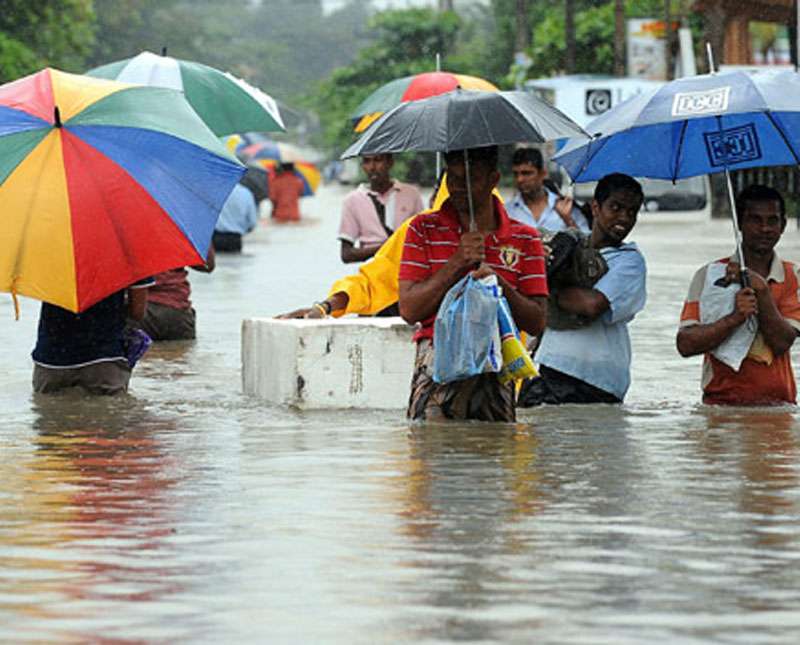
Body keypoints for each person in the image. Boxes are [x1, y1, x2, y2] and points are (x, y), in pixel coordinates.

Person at [398, 146, 548, 422]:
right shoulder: (422, 229)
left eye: (470, 179)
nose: (458, 188)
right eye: (452, 179)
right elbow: (409, 309)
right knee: (431, 451)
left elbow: (537, 322)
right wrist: (456, 263)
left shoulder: (525, 238)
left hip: (496, 362)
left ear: (493, 179)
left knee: (495, 451)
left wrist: (498, 282)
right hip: (437, 356)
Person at [518, 173, 646, 406]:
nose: (624, 218)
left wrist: (544, 289)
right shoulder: (567, 243)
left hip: (598, 381)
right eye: (615, 208)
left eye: (632, 211)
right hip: (549, 368)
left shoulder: (630, 261)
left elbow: (591, 305)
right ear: (595, 208)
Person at [676, 184, 800, 406]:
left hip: (779, 407)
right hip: (721, 406)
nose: (765, 228)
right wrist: (734, 319)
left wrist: (761, 291)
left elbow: (782, 342)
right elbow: (685, 344)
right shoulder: (709, 275)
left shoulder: (794, 276)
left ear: (783, 225)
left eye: (773, 221)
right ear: (740, 224)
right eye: (755, 220)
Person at [31, 278, 154, 395]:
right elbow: (137, 312)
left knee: (50, 413)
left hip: (51, 360)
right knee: (111, 414)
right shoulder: (129, 256)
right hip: (104, 360)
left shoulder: (51, 258)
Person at [338, 153, 424, 264]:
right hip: (372, 271)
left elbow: (422, 239)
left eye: (378, 160)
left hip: (407, 268)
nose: (372, 167)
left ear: (390, 163)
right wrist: (388, 247)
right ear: (362, 166)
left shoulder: (411, 194)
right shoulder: (352, 201)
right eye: (367, 161)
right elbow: (346, 255)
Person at [131, 247, 215, 341]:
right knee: (180, 353)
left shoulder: (130, 236)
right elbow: (207, 265)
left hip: (142, 310)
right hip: (179, 313)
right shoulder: (177, 235)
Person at [506, 147, 590, 233]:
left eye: (526, 173)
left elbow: (586, 242)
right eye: (516, 174)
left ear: (542, 174)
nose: (519, 179)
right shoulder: (507, 212)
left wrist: (567, 219)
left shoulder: (565, 207)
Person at [212, 182, 259, 253]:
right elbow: (252, 222)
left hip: (215, 237)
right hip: (235, 239)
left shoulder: (213, 192)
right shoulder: (246, 193)